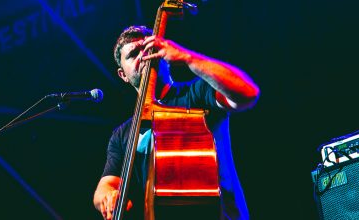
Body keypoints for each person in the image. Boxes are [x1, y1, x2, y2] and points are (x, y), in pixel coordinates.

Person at [93, 25, 260, 220]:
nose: (144, 55)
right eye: (133, 54)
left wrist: (186, 57)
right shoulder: (122, 134)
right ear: (123, 75)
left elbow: (247, 93)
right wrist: (107, 196)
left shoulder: (197, 94)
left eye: (149, 47)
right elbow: (106, 186)